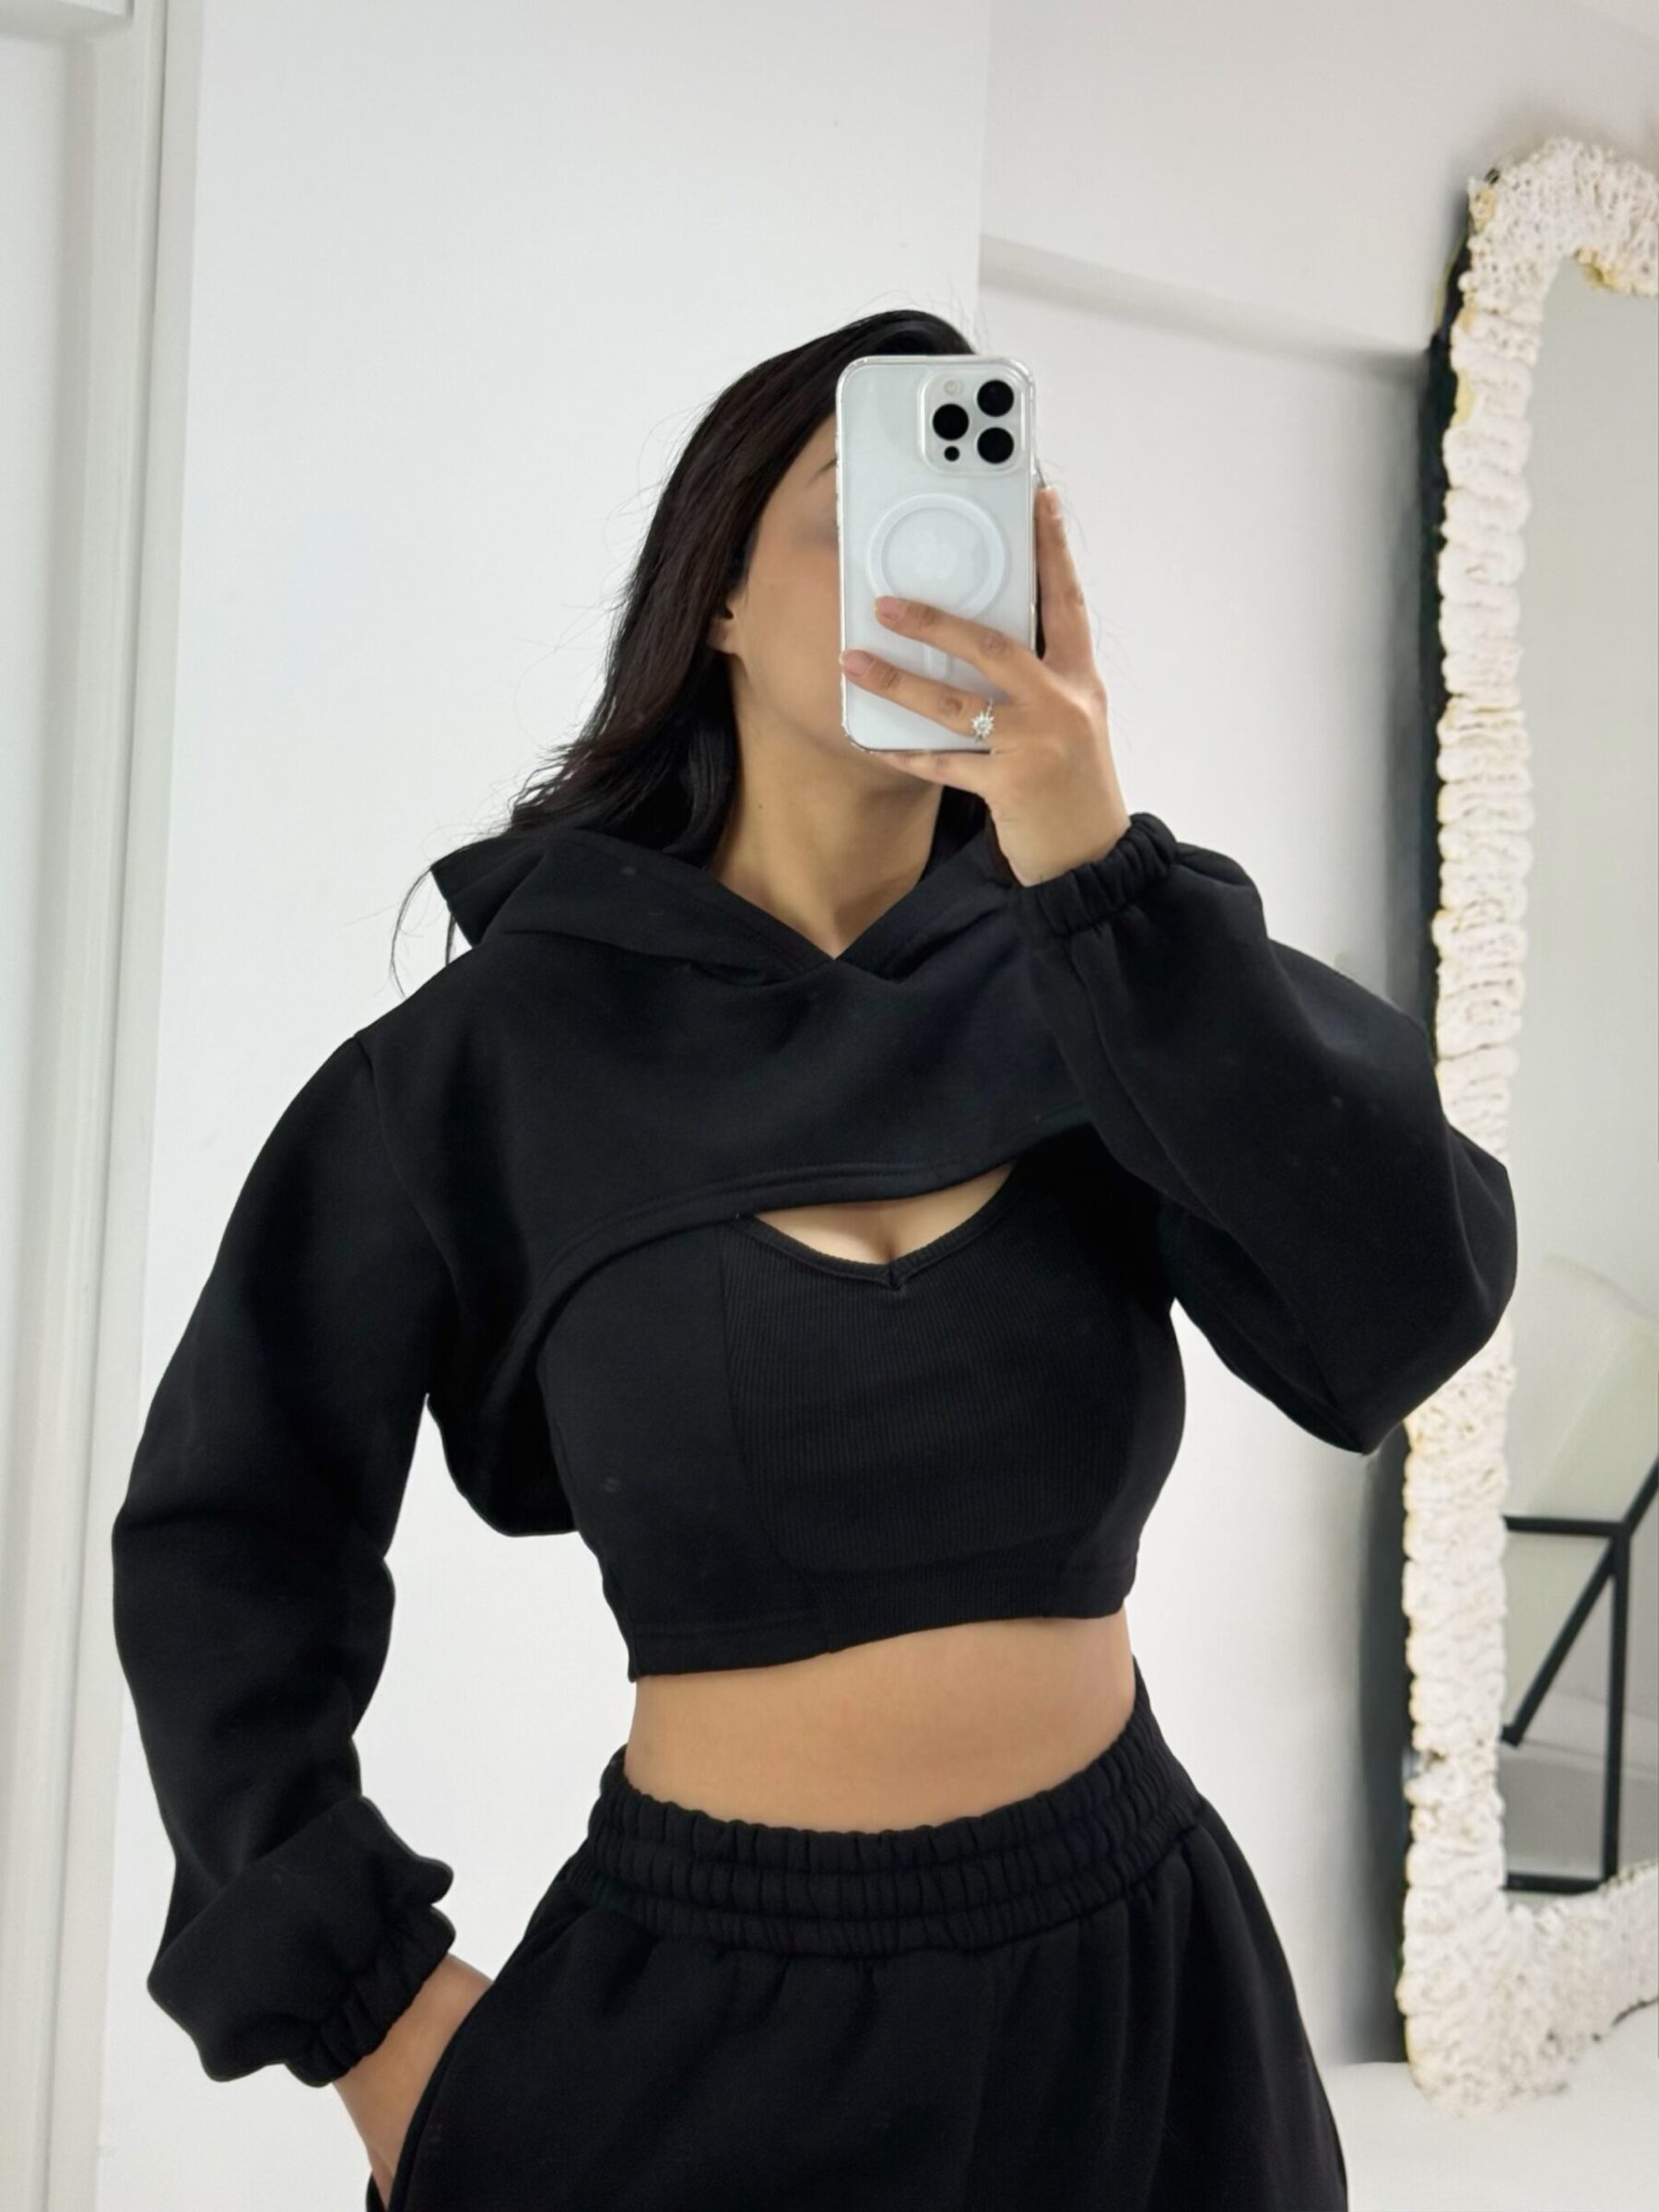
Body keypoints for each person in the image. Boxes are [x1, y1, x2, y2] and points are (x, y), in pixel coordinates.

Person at [111, 309, 1518, 2211]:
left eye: (979, 521)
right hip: (700, 2027)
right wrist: (366, 2012)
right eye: (863, 512)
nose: (930, 569)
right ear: (716, 602)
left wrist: (1097, 871)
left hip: (1142, 2003)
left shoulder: (1110, 971)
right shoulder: (497, 1061)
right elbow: (225, 1541)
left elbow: (1403, 1308)